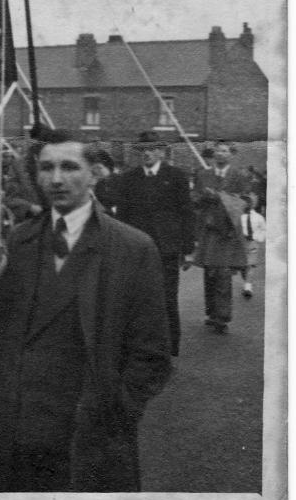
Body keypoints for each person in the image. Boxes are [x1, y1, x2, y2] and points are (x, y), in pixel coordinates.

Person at [0, 128, 171, 492]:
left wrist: (116, 412)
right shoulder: (20, 240)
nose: (56, 179)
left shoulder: (132, 248)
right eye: (46, 168)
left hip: (88, 429)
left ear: (95, 174)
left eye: (69, 167)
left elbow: (152, 353)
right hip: (19, 424)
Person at [115, 132, 194, 357]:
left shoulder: (176, 176)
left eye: (152, 149)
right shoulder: (129, 179)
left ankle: (169, 350)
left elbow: (186, 213)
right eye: (143, 150)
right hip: (137, 250)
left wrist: (188, 249)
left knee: (167, 299)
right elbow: (122, 215)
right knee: (137, 299)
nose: (147, 153)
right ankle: (140, 348)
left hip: (166, 250)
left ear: (161, 151)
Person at [191, 140, 250, 334]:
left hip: (228, 231)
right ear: (213, 154)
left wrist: (222, 197)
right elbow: (194, 199)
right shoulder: (203, 175)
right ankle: (211, 312)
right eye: (217, 151)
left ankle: (222, 317)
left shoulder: (239, 176)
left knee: (223, 273)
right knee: (210, 272)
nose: (220, 154)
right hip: (209, 230)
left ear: (230, 154)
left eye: (224, 151)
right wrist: (203, 197)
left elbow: (248, 201)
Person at [238, 195, 266, 299]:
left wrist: (258, 238)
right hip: (242, 243)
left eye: (247, 203)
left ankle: (248, 287)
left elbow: (264, 229)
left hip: (253, 243)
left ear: (252, 204)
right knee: (243, 266)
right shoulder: (239, 217)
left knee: (250, 265)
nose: (245, 205)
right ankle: (247, 283)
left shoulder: (258, 217)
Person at [86, 146, 119, 215]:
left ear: (108, 166)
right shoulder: (98, 185)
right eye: (93, 169)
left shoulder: (121, 181)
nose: (96, 172)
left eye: (99, 168)